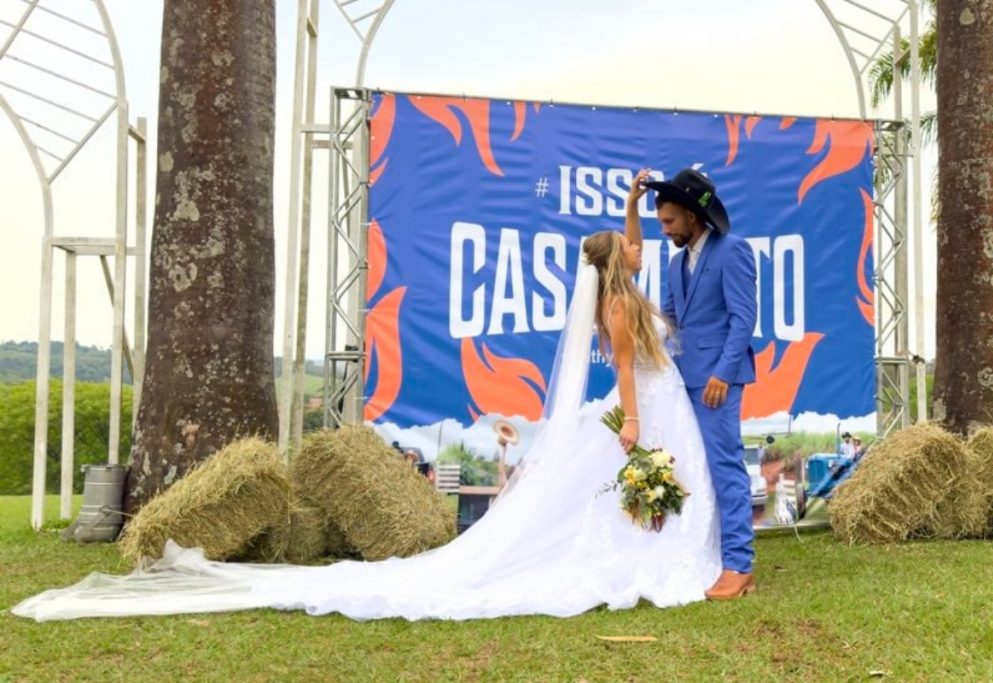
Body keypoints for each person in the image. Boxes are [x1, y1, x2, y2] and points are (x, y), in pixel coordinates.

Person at [13, 224, 721, 622]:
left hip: (659, 405)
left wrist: (630, 201)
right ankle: (647, 550)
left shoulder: (618, 292)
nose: (638, 250)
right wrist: (630, 428)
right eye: (628, 249)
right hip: (644, 409)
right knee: (622, 490)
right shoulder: (622, 311)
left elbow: (634, 252)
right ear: (613, 270)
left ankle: (648, 540)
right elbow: (626, 372)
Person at [631, 167, 758, 600]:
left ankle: (739, 566)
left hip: (718, 381)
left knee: (725, 466)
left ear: (691, 215)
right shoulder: (673, 263)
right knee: (695, 470)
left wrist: (723, 372)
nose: (665, 231)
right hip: (679, 381)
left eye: (669, 222)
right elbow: (669, 322)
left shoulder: (733, 251)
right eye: (661, 223)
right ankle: (707, 555)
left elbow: (744, 318)